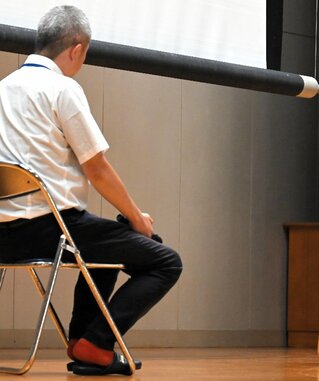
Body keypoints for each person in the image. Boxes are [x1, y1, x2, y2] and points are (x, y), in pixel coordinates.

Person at [0, 5, 182, 375]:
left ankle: (86, 341)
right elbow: (96, 168)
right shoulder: (62, 89)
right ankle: (96, 343)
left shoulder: (2, 89)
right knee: (164, 259)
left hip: (4, 235)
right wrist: (136, 218)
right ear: (77, 48)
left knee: (104, 239)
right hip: (51, 231)